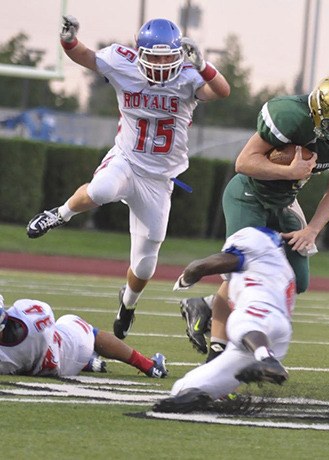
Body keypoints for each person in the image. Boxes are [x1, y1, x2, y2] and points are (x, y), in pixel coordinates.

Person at [25, 15, 230, 340]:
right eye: (155, 56)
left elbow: (222, 90)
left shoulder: (189, 76)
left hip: (159, 180)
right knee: (102, 188)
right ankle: (58, 214)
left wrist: (204, 65)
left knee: (146, 266)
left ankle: (127, 305)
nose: (162, 63)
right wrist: (68, 41)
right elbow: (87, 57)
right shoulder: (123, 63)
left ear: (177, 55)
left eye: (167, 56)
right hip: (127, 160)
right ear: (140, 53)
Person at [180, 75, 329, 362]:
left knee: (297, 280)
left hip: (285, 202)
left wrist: (312, 230)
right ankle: (218, 352)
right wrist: (290, 172)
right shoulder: (290, 117)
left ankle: (206, 305)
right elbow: (243, 163)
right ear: (319, 113)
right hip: (249, 194)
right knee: (243, 266)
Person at [152, 226, 295, 413]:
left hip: (258, 319)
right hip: (274, 335)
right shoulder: (281, 267)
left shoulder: (254, 247)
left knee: (238, 321)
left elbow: (199, 267)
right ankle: (199, 394)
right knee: (182, 388)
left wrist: (186, 279)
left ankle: (267, 360)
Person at [0, 294, 167, 378]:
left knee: (78, 334)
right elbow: (44, 312)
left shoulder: (6, 359)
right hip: (69, 348)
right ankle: (150, 366)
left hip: (59, 362)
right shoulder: (29, 315)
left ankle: (88, 363)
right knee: (76, 324)